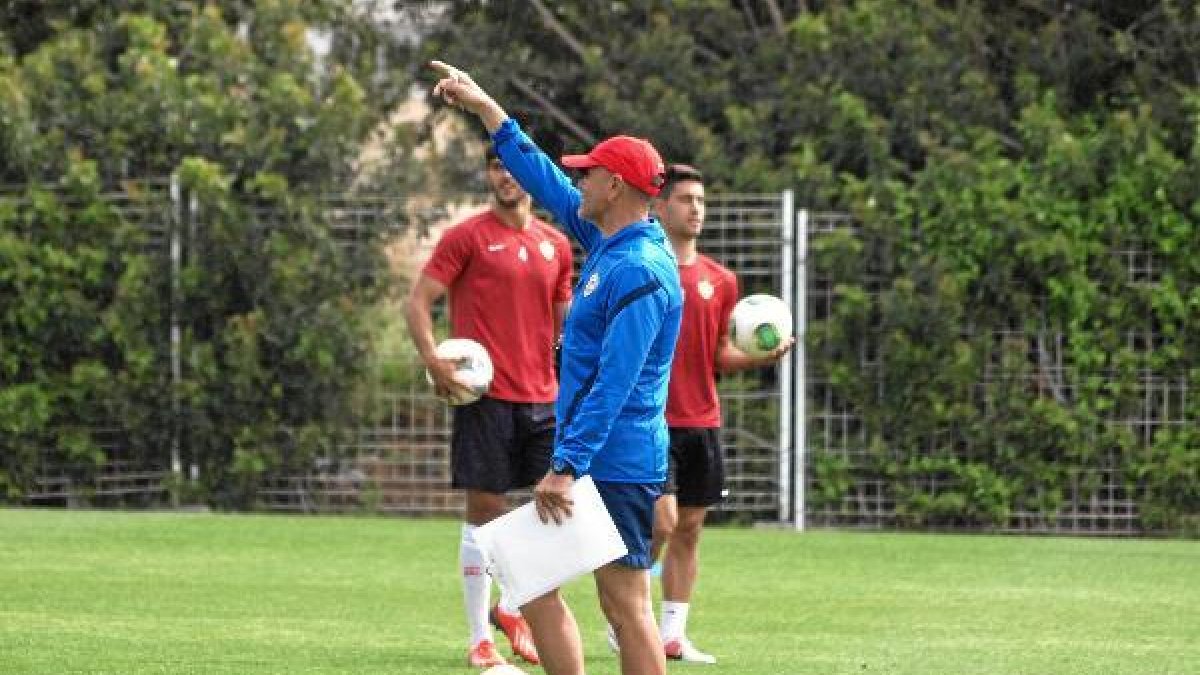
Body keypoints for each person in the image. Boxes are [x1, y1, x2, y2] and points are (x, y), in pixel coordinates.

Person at [430, 60, 683, 675]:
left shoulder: (639, 269)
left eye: (587, 173)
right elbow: (543, 177)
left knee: (625, 605)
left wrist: (566, 467)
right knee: (531, 576)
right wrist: (488, 110)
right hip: (596, 456)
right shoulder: (609, 242)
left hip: (616, 462)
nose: (578, 181)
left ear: (615, 186)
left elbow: (615, 386)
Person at [607, 163, 795, 663]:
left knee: (689, 527)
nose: (696, 209)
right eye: (686, 199)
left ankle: (672, 633)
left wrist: (761, 356)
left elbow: (718, 356)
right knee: (661, 523)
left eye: (702, 201)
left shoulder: (721, 280)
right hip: (653, 422)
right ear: (660, 206)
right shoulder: (645, 268)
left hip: (702, 420)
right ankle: (626, 615)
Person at [405, 145, 574, 668]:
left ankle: (512, 605)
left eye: (512, 165)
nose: (505, 175)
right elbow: (418, 302)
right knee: (484, 513)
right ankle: (481, 640)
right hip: (486, 400)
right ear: (487, 174)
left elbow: (566, 326)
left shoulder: (556, 244)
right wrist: (434, 360)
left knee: (560, 513)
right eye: (496, 166)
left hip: (544, 399)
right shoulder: (466, 238)